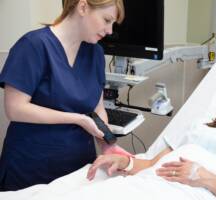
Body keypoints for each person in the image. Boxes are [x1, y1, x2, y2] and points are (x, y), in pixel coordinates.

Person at [86, 67, 216, 200]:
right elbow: (152, 166)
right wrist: (125, 162)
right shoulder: (201, 126)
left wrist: (205, 178)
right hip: (151, 185)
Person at [0, 0, 128, 191]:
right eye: (107, 20)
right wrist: (77, 119)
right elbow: (15, 109)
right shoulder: (34, 45)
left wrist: (106, 144)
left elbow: (97, 108)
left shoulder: (96, 53)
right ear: (83, 7)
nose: (110, 31)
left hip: (79, 168)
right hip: (31, 168)